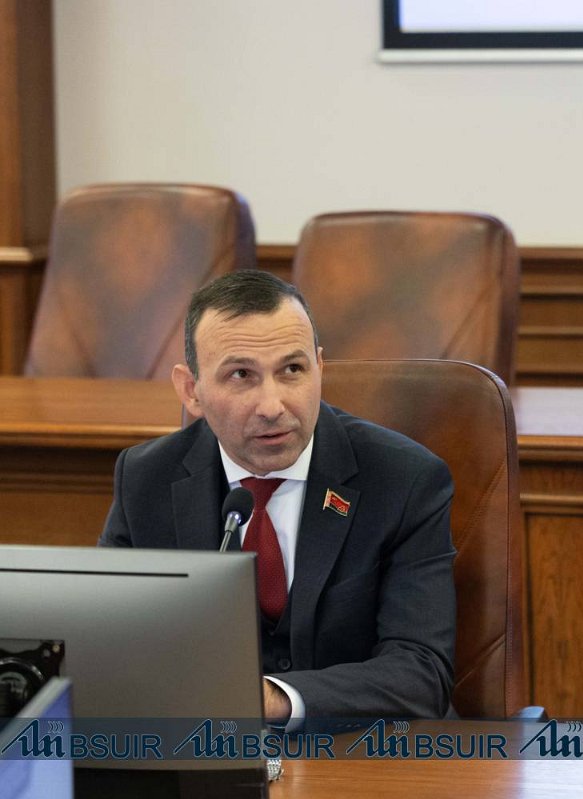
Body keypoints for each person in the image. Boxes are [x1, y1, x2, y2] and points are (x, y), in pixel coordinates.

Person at [100, 270, 456, 729]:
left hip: (362, 750)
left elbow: (421, 673)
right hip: (206, 751)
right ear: (192, 391)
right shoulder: (146, 479)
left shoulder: (404, 479)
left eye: (292, 370)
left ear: (320, 369)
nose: (272, 406)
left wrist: (273, 699)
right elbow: (111, 645)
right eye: (241, 375)